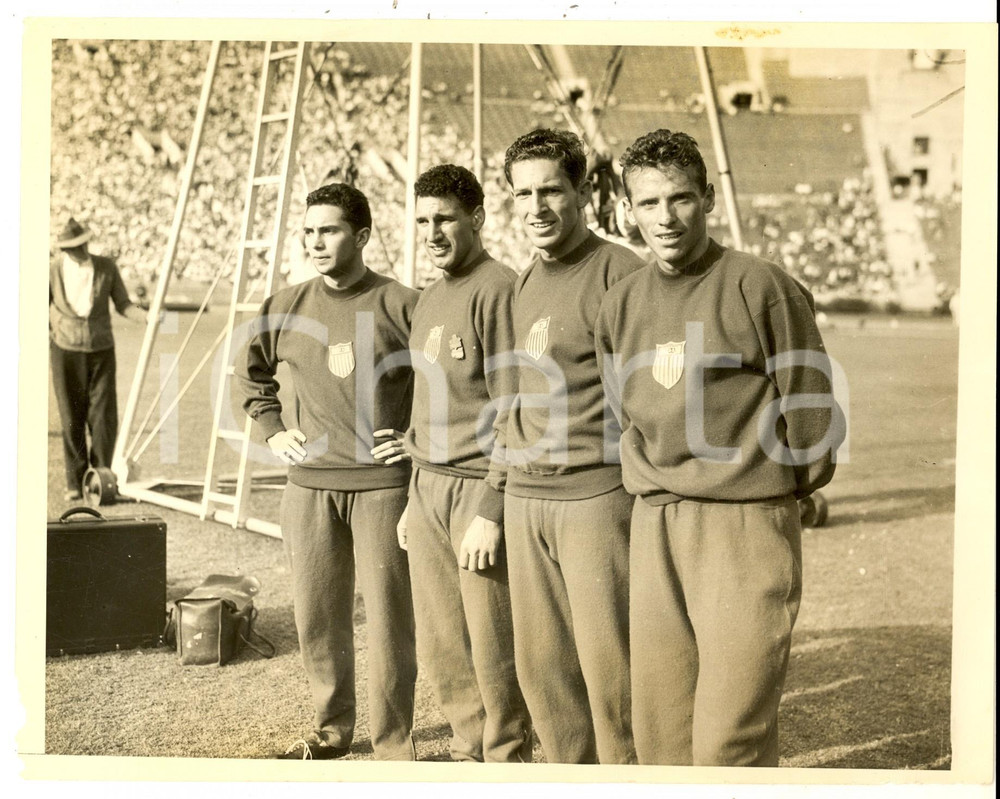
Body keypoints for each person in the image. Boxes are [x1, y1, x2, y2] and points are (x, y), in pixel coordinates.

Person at [595, 129, 845, 766]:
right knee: (663, 736)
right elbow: (625, 408)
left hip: (743, 524)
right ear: (628, 210)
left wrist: (762, 486)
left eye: (680, 199)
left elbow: (812, 414)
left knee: (729, 737)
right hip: (656, 523)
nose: (665, 218)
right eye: (648, 203)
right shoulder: (621, 302)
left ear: (707, 198)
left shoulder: (761, 286)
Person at [236, 183, 418, 761]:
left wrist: (418, 441)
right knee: (318, 615)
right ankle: (333, 729)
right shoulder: (287, 304)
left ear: (361, 235)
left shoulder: (403, 304)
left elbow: (449, 386)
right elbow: (250, 372)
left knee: (390, 620)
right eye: (309, 231)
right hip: (309, 488)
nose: (316, 242)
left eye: (330, 230)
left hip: (383, 488)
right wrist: (273, 427)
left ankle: (394, 742)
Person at [491, 129, 645, 764]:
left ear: (583, 190)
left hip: (595, 496)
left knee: (613, 671)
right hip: (528, 501)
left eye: (551, 189)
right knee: (544, 673)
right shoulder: (525, 280)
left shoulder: (620, 272)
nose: (536, 207)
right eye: (523, 193)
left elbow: (651, 401)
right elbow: (515, 399)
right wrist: (497, 495)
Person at [372, 164, 533, 762]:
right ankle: (468, 754)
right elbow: (427, 401)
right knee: (442, 643)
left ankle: (505, 759)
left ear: (477, 219)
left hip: (478, 487)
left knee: (492, 642)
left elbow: (515, 407)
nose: (432, 231)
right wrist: (415, 496)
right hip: (429, 489)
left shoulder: (499, 289)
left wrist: (493, 506)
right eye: (422, 221)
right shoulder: (430, 297)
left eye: (444, 219)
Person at [49, 217, 146, 502]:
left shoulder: (106, 267)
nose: (79, 251)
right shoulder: (53, 270)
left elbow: (124, 304)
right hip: (65, 351)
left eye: (82, 245)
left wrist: (146, 316)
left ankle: (102, 476)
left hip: (101, 350)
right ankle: (75, 480)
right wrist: (52, 331)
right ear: (64, 249)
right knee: (71, 415)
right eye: (72, 247)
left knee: (103, 417)